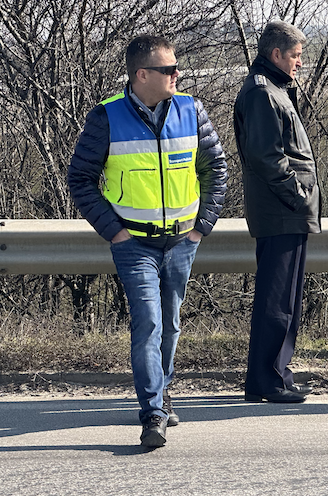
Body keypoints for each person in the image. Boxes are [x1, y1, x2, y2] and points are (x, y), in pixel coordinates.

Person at [67, 35, 227, 448]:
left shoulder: (192, 110)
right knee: (148, 323)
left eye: (176, 68)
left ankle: (163, 390)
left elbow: (216, 169)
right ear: (142, 75)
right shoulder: (107, 117)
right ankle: (153, 411)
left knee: (170, 324)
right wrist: (114, 231)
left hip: (181, 241)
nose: (178, 75)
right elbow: (81, 180)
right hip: (133, 243)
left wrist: (200, 226)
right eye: (168, 70)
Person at [234, 20, 321, 404]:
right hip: (282, 210)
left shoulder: (272, 89)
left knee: (284, 300)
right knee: (277, 301)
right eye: (296, 56)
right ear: (276, 55)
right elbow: (267, 157)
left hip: (285, 210)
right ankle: (269, 380)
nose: (300, 63)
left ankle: (273, 377)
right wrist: (300, 195)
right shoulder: (262, 94)